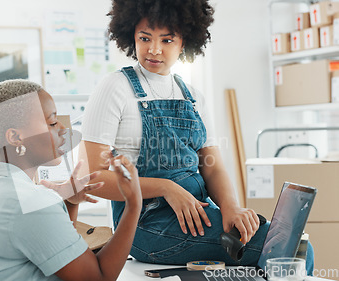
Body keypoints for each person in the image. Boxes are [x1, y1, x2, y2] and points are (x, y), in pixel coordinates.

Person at [79, 0, 314, 274]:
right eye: (145, 38)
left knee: (294, 243)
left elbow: (212, 167)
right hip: (144, 224)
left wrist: (230, 208)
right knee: (293, 250)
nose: (154, 49)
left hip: (199, 214)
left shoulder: (192, 97)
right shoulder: (114, 88)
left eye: (167, 40)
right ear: (131, 35)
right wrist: (166, 188)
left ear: (185, 42)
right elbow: (92, 181)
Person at [0, 79, 142, 281]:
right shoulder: (28, 201)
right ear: (15, 137)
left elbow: (55, 251)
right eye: (52, 123)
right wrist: (133, 204)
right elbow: (98, 277)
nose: (63, 129)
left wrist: (69, 202)